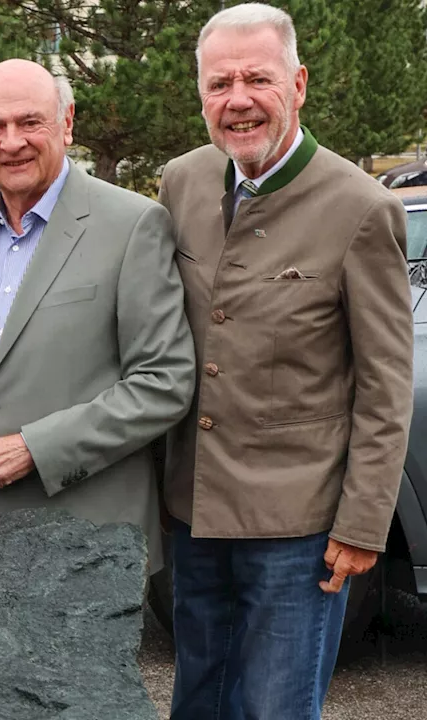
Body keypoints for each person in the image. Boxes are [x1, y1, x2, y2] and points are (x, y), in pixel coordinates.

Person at [158, 5, 413, 718]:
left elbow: (386, 385)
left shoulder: (360, 208)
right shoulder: (180, 182)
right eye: (219, 83)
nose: (237, 99)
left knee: (275, 707)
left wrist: (363, 526)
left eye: (257, 79)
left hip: (299, 530)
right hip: (196, 511)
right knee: (198, 702)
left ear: (298, 84)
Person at [0, 60, 195, 571]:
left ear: (67, 123)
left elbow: (164, 381)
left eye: (30, 122)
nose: (11, 142)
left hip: (86, 539)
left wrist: (35, 448)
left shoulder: (133, 225)